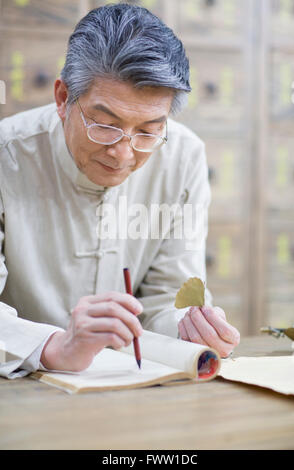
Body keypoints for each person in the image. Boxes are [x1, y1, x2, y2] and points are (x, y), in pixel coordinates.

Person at [0, 3, 240, 379]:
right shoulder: (7, 155)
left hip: (131, 385)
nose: (123, 153)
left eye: (148, 130)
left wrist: (189, 326)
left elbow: (166, 300)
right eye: (105, 125)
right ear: (63, 98)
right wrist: (56, 347)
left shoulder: (184, 156)